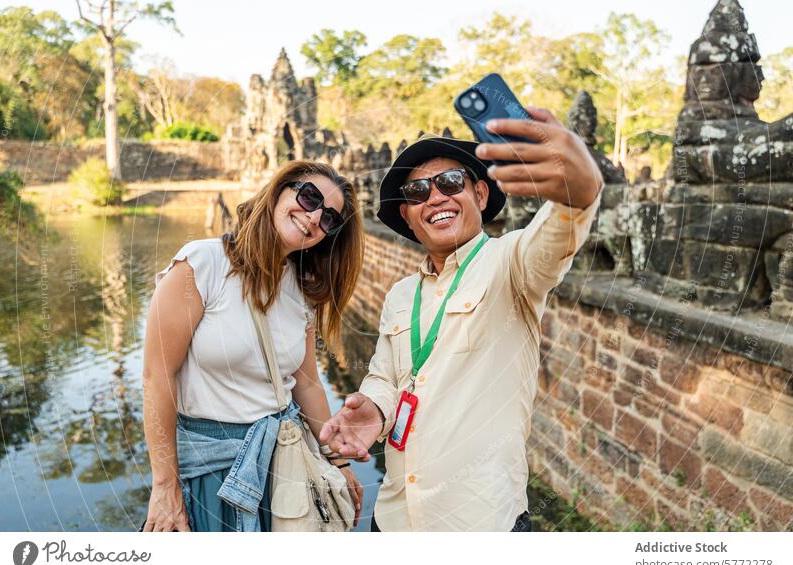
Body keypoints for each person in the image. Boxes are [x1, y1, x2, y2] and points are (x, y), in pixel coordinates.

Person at [320, 109, 603, 531]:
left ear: (481, 196)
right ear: (410, 219)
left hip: (478, 522)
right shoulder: (401, 295)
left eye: (450, 183)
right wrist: (376, 410)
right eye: (417, 192)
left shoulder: (511, 266)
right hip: (395, 518)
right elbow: (386, 376)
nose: (435, 197)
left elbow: (557, 234)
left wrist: (579, 186)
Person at [142, 160, 365, 532]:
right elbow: (156, 376)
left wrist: (338, 461)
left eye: (329, 218)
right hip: (212, 468)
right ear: (280, 190)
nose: (313, 218)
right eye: (309, 197)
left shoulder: (302, 289)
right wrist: (164, 486)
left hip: (283, 464)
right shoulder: (203, 263)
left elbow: (307, 383)